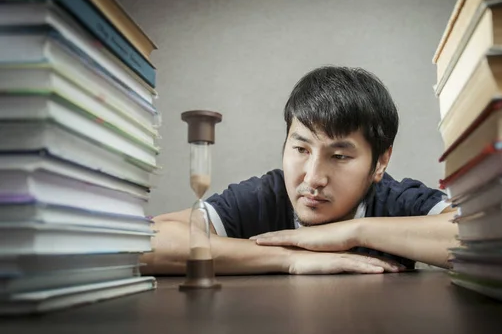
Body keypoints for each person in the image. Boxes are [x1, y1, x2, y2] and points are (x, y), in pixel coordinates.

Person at [143, 66, 457, 275]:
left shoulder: (398, 201)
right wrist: (289, 257)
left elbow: (489, 239)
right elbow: (146, 241)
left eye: (339, 156)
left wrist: (353, 231)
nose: (312, 178)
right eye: (301, 149)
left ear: (380, 163)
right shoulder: (264, 196)